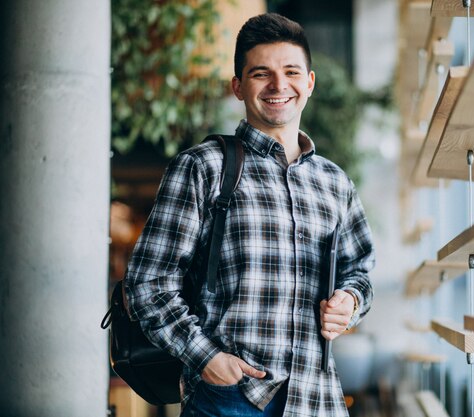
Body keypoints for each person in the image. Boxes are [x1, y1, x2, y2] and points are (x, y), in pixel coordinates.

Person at [124, 13, 375, 417]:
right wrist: (206, 358)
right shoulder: (203, 167)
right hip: (229, 399)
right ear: (238, 87)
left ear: (309, 82)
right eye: (262, 74)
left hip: (317, 398)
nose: (279, 85)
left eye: (291, 71)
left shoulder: (335, 182)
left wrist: (351, 299)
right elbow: (147, 284)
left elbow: (360, 270)